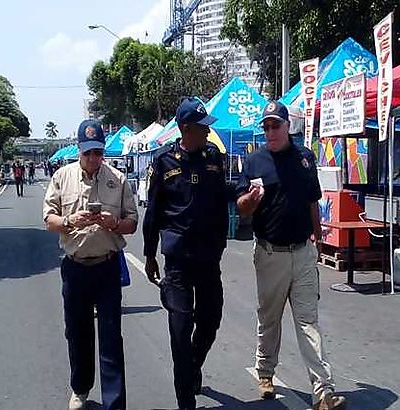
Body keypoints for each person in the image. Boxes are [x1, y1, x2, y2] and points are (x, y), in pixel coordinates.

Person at [236, 101, 346, 410]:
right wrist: (251, 199)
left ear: (287, 127)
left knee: (308, 321)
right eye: (266, 126)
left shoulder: (305, 158)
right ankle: (265, 372)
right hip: (270, 253)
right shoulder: (255, 161)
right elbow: (241, 207)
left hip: (303, 252)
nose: (270, 131)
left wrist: (318, 237)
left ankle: (323, 391)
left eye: (275, 125)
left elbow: (313, 200)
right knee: (269, 319)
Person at [43, 119, 138, 410]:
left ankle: (114, 402)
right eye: (88, 153)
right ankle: (80, 388)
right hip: (75, 267)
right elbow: (49, 219)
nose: (93, 159)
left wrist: (115, 223)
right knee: (77, 332)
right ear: (78, 151)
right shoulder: (62, 177)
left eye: (98, 152)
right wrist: (70, 221)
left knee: (111, 335)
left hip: (107, 267)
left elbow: (132, 223)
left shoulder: (117, 179)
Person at [142, 97, 228, 410]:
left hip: (208, 259)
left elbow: (222, 198)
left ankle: (193, 364)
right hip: (177, 261)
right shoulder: (164, 163)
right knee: (180, 329)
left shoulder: (214, 157)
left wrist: (248, 190)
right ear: (186, 128)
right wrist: (150, 254)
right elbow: (153, 212)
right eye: (202, 127)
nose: (207, 132)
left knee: (211, 320)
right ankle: (185, 400)